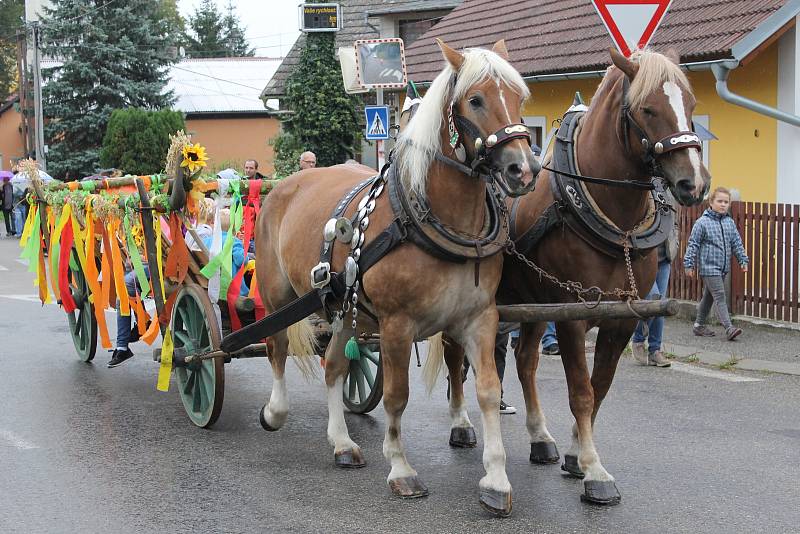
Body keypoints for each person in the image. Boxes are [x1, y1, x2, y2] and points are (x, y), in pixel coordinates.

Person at [684, 186, 749, 341]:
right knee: (720, 295)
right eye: (719, 201)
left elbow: (737, 243)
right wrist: (689, 264)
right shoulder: (702, 223)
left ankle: (698, 326)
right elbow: (693, 244)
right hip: (708, 267)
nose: (723, 204)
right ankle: (729, 328)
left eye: (726, 202)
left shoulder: (729, 223)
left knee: (709, 297)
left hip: (723, 268)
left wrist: (743, 260)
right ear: (711, 203)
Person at [632, 205, 679, 367]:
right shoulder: (643, 193)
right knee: (653, 299)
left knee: (661, 306)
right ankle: (638, 339)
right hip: (644, 259)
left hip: (663, 259)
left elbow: (674, 223)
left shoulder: (666, 194)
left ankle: (655, 350)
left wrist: (674, 243)